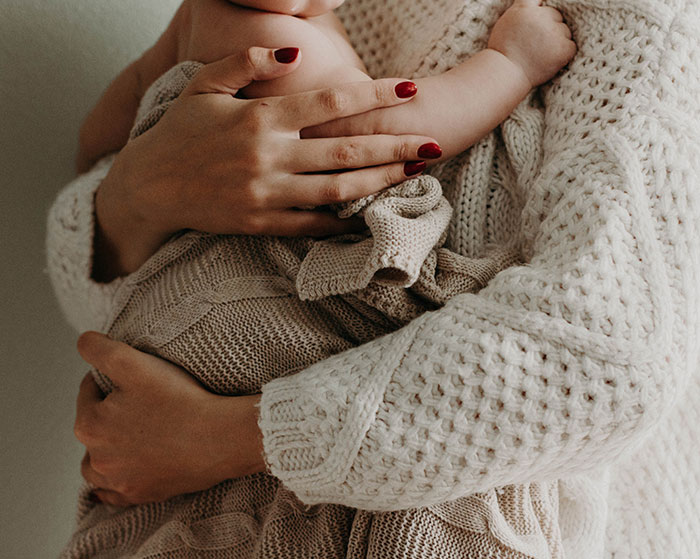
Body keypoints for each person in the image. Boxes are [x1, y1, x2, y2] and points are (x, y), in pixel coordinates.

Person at [47, 0, 700, 557]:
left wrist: (215, 438)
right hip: (243, 354)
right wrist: (140, 189)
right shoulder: (274, 30)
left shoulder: (644, 29)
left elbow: (606, 362)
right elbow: (383, 134)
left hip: (381, 457)